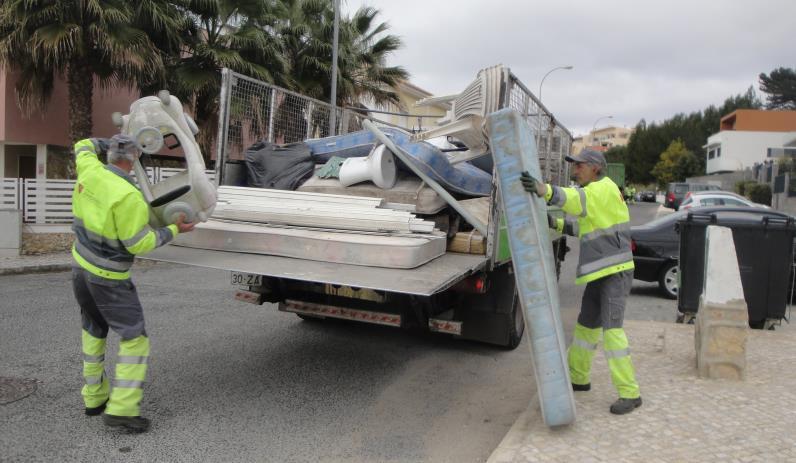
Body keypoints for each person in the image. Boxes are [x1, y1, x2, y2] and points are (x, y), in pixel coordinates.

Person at [70, 134, 195, 432]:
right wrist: (174, 229)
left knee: (93, 329)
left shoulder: (89, 169)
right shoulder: (128, 196)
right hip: (109, 279)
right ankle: (122, 410)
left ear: (110, 153)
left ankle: (94, 398)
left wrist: (109, 140)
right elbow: (139, 243)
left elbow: (83, 145)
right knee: (134, 338)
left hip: (80, 268)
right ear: (135, 157)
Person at [521, 149, 641, 415]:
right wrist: (556, 223)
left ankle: (630, 393)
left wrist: (545, 190)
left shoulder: (602, 189)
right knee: (586, 328)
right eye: (574, 166)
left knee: (612, 333)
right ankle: (578, 378)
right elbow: (584, 226)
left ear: (596, 167)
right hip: (601, 273)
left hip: (615, 272)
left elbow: (575, 200)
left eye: (579, 166)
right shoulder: (600, 193)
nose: (575, 171)